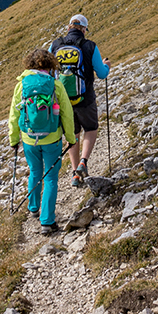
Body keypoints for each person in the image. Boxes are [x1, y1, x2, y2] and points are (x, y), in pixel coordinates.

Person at [9, 48, 75, 233]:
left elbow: (14, 114)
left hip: (28, 138)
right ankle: (47, 221)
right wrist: (71, 138)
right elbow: (67, 114)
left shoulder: (21, 85)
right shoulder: (56, 84)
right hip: (52, 138)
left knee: (35, 171)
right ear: (51, 65)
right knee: (51, 177)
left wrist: (14, 139)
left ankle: (33, 208)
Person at [50, 13, 110, 187]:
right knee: (90, 128)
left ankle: (75, 175)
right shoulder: (90, 46)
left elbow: (47, 72)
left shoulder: (55, 45)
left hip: (63, 101)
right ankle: (84, 162)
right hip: (85, 98)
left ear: (69, 28)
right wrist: (107, 65)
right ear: (84, 30)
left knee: (72, 135)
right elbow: (102, 74)